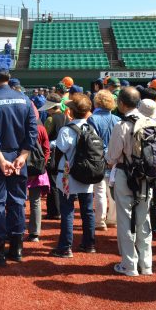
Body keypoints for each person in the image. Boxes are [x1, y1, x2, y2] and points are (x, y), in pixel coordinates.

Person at [0, 62, 38, 266]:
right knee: (17, 202)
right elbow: (32, 131)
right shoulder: (24, 99)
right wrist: (23, 156)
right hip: (19, 157)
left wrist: (1, 159)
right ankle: (17, 249)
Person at [107, 90, 156, 276]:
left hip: (125, 175)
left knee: (125, 220)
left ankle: (129, 265)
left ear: (121, 103)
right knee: (144, 221)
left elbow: (112, 157)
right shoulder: (152, 122)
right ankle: (146, 265)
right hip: (147, 177)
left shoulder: (122, 125)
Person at [51, 94, 96, 257]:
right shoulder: (91, 128)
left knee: (68, 211)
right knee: (88, 211)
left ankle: (65, 247)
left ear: (71, 111)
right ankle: (89, 244)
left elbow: (60, 149)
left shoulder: (66, 130)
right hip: (87, 174)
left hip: (68, 175)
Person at [88, 90, 121, 231]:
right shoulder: (117, 119)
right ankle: (112, 219)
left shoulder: (92, 119)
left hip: (98, 158)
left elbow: (91, 141)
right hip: (115, 158)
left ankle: (100, 221)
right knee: (113, 190)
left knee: (100, 190)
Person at [41, 96, 65, 221]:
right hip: (63, 152)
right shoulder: (65, 116)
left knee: (52, 182)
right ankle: (58, 210)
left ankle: (55, 211)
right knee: (58, 181)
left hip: (51, 153)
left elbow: (44, 136)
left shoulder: (50, 119)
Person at [27, 118, 51, 242]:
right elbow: (47, 149)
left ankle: (16, 230)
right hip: (37, 169)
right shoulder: (41, 128)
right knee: (35, 202)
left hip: (19, 166)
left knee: (17, 201)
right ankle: (34, 233)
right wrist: (42, 165)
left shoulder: (19, 126)